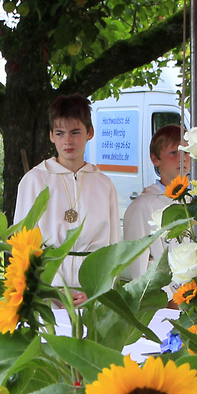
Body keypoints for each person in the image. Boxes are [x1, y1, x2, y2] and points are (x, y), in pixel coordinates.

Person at [14, 95, 121, 297]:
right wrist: (51, 289)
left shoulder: (103, 184)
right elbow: (23, 244)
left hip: (91, 288)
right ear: (51, 136)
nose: (68, 141)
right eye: (60, 133)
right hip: (47, 288)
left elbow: (113, 247)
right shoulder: (34, 180)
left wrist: (97, 290)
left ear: (90, 133)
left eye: (75, 132)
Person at [122, 124, 190, 278]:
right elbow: (139, 263)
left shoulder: (194, 201)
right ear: (155, 159)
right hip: (164, 298)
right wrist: (169, 299)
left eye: (186, 152)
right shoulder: (143, 206)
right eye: (174, 152)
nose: (182, 158)